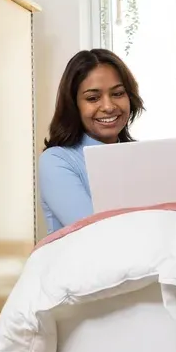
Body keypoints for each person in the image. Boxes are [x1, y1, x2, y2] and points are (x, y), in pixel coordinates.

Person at [38, 48, 144, 233]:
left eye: (118, 93)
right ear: (74, 105)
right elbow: (96, 231)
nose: (108, 106)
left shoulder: (139, 156)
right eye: (93, 98)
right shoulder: (56, 160)